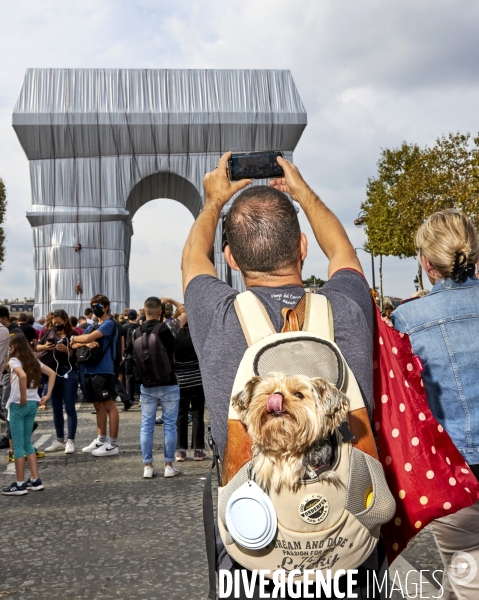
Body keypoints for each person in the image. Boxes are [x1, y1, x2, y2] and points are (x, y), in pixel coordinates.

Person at [182, 152, 377, 598]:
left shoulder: (219, 316)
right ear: (303, 248)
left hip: (256, 544)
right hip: (348, 538)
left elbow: (193, 258)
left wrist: (213, 201)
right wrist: (302, 191)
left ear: (230, 259)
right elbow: (343, 252)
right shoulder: (347, 306)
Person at [391, 209, 479, 599]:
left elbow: (404, 400)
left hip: (454, 468)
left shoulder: (408, 318)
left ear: (426, 263)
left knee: (466, 575)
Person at [136, 296, 187, 478]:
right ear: (160, 312)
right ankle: (168, 465)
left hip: (147, 384)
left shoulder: (136, 332)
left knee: (146, 426)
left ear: (143, 311)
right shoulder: (168, 328)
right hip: (169, 382)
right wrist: (172, 301)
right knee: (170, 426)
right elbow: (185, 312)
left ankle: (148, 466)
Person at [2, 334, 56, 495]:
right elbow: (52, 373)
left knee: (18, 446)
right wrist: (47, 395)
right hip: (33, 403)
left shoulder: (14, 361)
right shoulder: (33, 361)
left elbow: (22, 375)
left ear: (14, 347)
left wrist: (22, 397)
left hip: (19, 404)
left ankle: (19, 484)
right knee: (27, 443)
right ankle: (35, 479)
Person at [71, 295, 120, 457]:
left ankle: (113, 443)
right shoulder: (94, 325)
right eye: (92, 305)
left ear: (106, 307)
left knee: (109, 405)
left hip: (104, 369)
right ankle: (101, 439)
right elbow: (76, 344)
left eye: (98, 305)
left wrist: (74, 338)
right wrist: (84, 342)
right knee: (98, 405)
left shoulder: (108, 324)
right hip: (90, 369)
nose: (95, 308)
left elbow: (80, 339)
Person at [36, 309, 78, 454]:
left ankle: (70, 440)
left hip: (68, 372)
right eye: (54, 323)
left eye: (59, 323)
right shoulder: (49, 332)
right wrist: (45, 347)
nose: (56, 325)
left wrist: (67, 350)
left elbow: (77, 354)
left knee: (70, 408)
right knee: (56, 408)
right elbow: (37, 347)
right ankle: (60, 439)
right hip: (51, 374)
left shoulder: (73, 335)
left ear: (65, 321)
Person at [174, 320, 206, 462]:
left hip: (181, 380)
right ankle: (198, 451)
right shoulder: (197, 335)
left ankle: (181, 450)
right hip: (198, 379)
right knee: (198, 414)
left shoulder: (174, 335)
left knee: (181, 414)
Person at [123, 309, 140, 407]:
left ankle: (130, 397)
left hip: (128, 355)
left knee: (129, 377)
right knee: (140, 376)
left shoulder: (124, 327)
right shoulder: (140, 327)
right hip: (139, 355)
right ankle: (141, 396)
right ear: (136, 316)